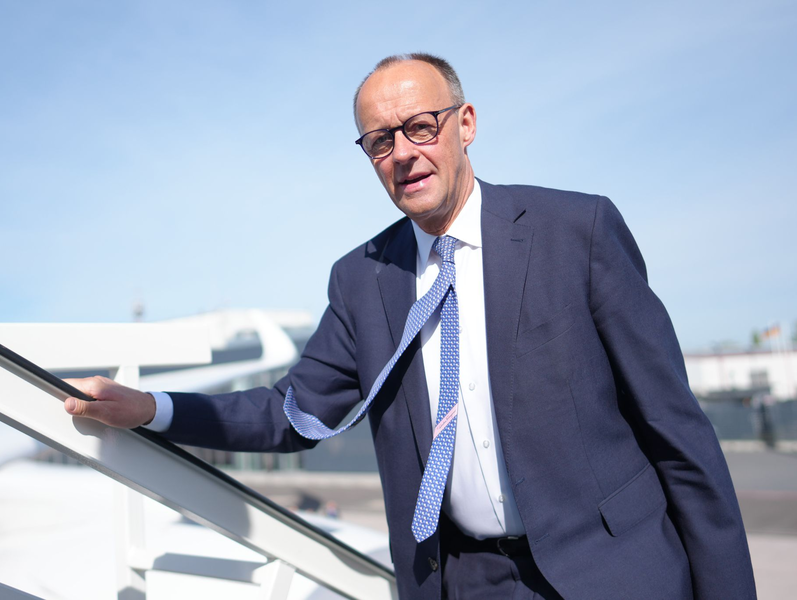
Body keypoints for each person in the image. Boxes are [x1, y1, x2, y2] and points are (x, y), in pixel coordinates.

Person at [64, 53, 756, 599]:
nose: (402, 153)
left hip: (613, 573)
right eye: (378, 141)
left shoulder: (578, 232)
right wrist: (151, 408)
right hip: (465, 582)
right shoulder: (362, 278)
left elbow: (679, 436)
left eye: (420, 126)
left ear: (466, 124)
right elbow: (289, 413)